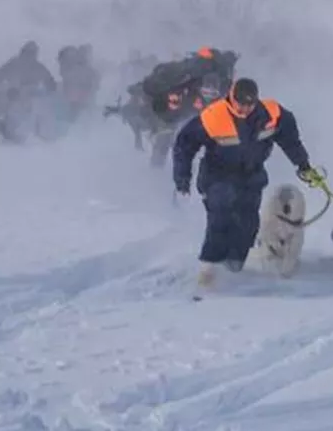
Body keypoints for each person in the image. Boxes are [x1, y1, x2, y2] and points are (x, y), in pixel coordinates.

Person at [171, 77, 321, 293]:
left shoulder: (271, 114)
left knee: (248, 223)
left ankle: (233, 266)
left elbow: (290, 139)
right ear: (232, 98)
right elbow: (185, 144)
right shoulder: (214, 116)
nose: (244, 108)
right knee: (221, 213)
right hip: (217, 176)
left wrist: (303, 164)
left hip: (251, 177)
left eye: (250, 104)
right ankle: (209, 268)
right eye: (240, 103)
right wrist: (182, 178)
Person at [131, 46, 238, 167]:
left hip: (203, 112)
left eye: (212, 92)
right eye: (207, 90)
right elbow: (172, 110)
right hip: (184, 107)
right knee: (167, 132)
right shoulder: (187, 86)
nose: (209, 93)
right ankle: (157, 165)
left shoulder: (225, 87)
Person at [0, 40, 57, 139]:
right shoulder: (13, 64)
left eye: (32, 54)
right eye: (27, 53)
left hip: (27, 101)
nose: (29, 57)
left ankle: (11, 129)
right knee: (0, 106)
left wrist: (43, 93)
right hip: (10, 97)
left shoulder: (39, 68)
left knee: (29, 110)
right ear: (22, 53)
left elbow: (51, 84)